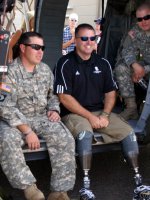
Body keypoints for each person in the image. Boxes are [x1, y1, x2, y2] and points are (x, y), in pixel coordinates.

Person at [54, 23, 150, 199]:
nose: (89, 42)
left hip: (100, 112)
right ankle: (86, 187)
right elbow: (64, 98)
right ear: (75, 40)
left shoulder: (103, 63)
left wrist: (105, 115)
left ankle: (139, 183)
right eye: (84, 38)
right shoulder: (64, 63)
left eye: (92, 38)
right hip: (74, 114)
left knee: (128, 132)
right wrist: (91, 117)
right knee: (85, 133)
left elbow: (110, 93)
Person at [0, 32, 75, 200]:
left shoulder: (45, 70)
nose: (40, 51)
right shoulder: (9, 73)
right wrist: (27, 131)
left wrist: (54, 110)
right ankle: (30, 189)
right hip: (15, 121)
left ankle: (59, 191)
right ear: (22, 48)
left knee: (65, 137)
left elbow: (53, 96)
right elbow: (4, 107)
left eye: (42, 48)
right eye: (35, 47)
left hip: (41, 117)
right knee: (7, 139)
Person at [114, 1, 150, 120]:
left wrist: (144, 70)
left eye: (147, 17)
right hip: (143, 67)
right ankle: (131, 108)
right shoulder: (135, 31)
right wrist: (134, 65)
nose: (143, 22)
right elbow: (126, 50)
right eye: (140, 19)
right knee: (121, 68)